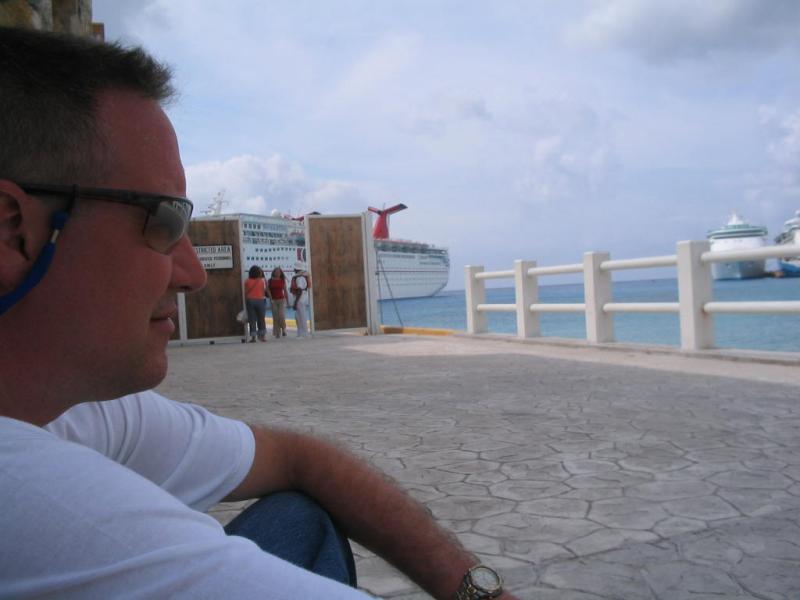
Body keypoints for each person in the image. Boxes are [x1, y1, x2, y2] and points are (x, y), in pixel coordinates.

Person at [0, 27, 517, 600]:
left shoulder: (75, 411)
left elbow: (302, 458)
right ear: (11, 228)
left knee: (300, 515)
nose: (193, 274)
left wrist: (476, 592)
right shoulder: (36, 502)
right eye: (161, 221)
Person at [243, 264, 268, 342]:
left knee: (252, 319)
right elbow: (264, 291)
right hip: (260, 300)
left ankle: (253, 337)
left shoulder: (247, 281)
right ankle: (263, 336)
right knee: (261, 319)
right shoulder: (261, 281)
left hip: (250, 300)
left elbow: (245, 292)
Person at [267, 266, 289, 338]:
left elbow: (285, 290)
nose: (277, 273)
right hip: (273, 300)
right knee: (275, 316)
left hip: (281, 300)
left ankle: (284, 329)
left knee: (281, 315)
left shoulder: (282, 280)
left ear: (281, 273)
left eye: (279, 272)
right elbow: (268, 290)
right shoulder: (270, 280)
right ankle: (277, 332)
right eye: (276, 272)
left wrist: (288, 301)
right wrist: (271, 299)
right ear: (273, 273)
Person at [291, 260, 311, 338]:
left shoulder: (299, 278)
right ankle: (300, 333)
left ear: (296, 269)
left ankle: (304, 333)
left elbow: (299, 290)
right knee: (298, 316)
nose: (293, 269)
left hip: (300, 299)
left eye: (294, 268)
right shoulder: (301, 276)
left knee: (301, 317)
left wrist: (295, 302)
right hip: (302, 298)